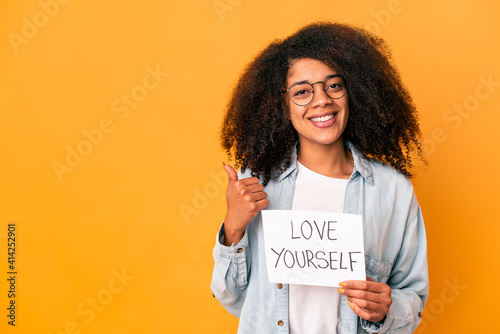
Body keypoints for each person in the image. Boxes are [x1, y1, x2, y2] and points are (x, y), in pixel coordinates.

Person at [211, 22, 429, 334]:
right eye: (302, 92)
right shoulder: (256, 183)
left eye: (334, 85)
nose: (322, 100)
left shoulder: (393, 191)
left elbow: (413, 298)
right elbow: (231, 296)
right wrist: (233, 226)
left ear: (352, 92)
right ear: (282, 106)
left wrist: (386, 309)